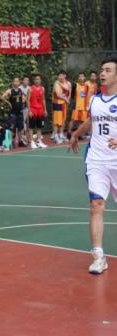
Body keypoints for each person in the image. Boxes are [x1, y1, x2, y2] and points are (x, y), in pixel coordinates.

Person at [69, 57, 117, 275]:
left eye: (108, 70)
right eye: (102, 70)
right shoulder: (95, 99)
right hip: (96, 160)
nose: (102, 73)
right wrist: (76, 134)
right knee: (96, 205)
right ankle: (98, 256)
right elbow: (92, 120)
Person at [0, 77, 27, 147]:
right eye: (15, 81)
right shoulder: (10, 91)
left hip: (20, 111)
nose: (16, 83)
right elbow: (2, 97)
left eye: (17, 81)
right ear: (13, 82)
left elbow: (25, 97)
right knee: (12, 127)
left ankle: (21, 141)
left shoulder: (20, 90)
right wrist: (9, 103)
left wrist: (23, 100)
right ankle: (11, 141)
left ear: (19, 82)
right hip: (13, 112)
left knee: (21, 127)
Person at [28, 74, 48, 149]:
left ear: (40, 80)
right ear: (34, 80)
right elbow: (27, 100)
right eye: (36, 79)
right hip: (33, 110)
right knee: (31, 127)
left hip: (40, 110)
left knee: (40, 127)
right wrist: (29, 111)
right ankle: (32, 142)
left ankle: (39, 141)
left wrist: (45, 110)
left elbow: (43, 99)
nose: (37, 80)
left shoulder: (42, 89)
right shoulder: (30, 89)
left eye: (38, 79)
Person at [68, 73, 89, 139]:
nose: (81, 77)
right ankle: (69, 133)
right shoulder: (75, 85)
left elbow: (86, 96)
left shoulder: (86, 86)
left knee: (81, 121)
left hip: (84, 106)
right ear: (78, 78)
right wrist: (73, 104)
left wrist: (87, 105)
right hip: (76, 106)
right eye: (80, 76)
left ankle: (79, 135)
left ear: (84, 78)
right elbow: (72, 96)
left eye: (82, 76)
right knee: (73, 120)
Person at [52, 71, 71, 143]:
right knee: (56, 121)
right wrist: (66, 99)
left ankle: (61, 134)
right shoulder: (56, 83)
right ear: (58, 77)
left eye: (62, 76)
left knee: (63, 120)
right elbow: (58, 94)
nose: (61, 77)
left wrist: (67, 99)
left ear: (64, 76)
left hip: (64, 104)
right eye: (59, 76)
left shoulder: (67, 83)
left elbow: (68, 93)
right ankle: (56, 136)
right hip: (57, 103)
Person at [20, 76, 31, 144]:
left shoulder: (29, 88)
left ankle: (29, 137)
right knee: (23, 122)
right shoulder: (19, 88)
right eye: (25, 80)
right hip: (22, 106)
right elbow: (23, 99)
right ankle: (23, 137)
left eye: (27, 80)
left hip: (29, 106)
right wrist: (26, 96)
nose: (26, 81)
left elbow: (29, 98)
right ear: (22, 81)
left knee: (28, 123)